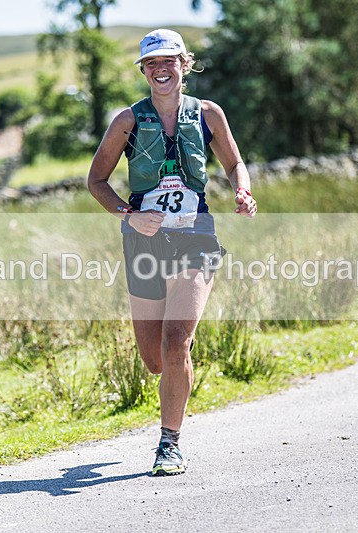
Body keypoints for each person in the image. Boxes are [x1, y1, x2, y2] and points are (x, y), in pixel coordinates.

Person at [87, 28, 257, 476]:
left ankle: (169, 443)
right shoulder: (127, 121)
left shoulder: (208, 114)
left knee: (175, 339)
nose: (162, 69)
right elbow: (96, 181)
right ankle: (177, 350)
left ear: (185, 64)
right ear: (144, 71)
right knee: (153, 359)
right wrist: (128, 215)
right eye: (152, 63)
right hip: (143, 238)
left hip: (195, 234)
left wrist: (242, 191)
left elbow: (235, 162)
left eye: (170, 61)